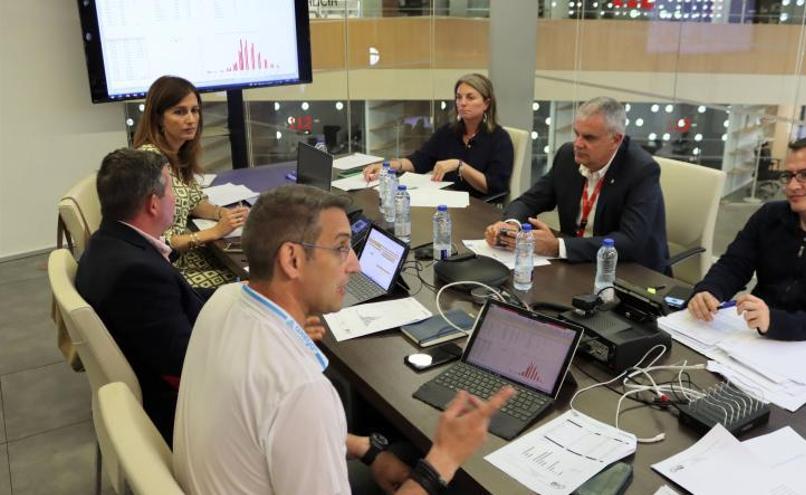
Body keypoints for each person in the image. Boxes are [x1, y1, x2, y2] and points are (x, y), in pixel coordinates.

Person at [174, 184, 514, 494]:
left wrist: (368, 450)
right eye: (340, 248)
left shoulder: (223, 301)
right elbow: (292, 405)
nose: (355, 264)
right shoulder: (301, 390)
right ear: (292, 259)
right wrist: (441, 461)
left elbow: (277, 429)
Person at [688, 135, 806, 349]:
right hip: (756, 338)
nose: (792, 185)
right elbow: (733, 265)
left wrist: (775, 322)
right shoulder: (769, 216)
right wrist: (709, 290)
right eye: (788, 175)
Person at [75, 148, 208, 444]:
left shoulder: (108, 241)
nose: (175, 198)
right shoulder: (137, 275)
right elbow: (189, 363)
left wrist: (239, 294)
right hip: (180, 413)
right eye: (171, 189)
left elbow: (178, 300)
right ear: (152, 204)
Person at [484, 97, 669, 272]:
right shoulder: (567, 157)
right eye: (576, 134)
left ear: (616, 140)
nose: (578, 144)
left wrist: (558, 247)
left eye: (589, 138)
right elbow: (528, 201)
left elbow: (630, 241)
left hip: (628, 272)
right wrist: (510, 226)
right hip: (576, 265)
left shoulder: (641, 170)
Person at [133, 75, 248, 288]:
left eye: (194, 110)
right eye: (180, 112)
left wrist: (222, 214)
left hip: (183, 256)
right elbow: (160, 241)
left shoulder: (177, 154)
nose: (191, 119)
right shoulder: (150, 163)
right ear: (158, 118)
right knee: (254, 281)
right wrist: (215, 232)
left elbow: (195, 202)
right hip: (168, 269)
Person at [363, 73, 514, 198]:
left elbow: (495, 187)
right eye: (459, 97)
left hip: (480, 209)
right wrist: (386, 166)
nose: (462, 103)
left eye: (470, 97)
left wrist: (459, 165)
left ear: (486, 104)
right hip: (445, 202)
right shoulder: (448, 132)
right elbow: (419, 161)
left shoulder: (500, 139)